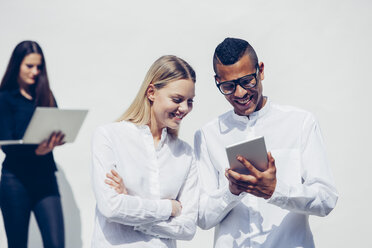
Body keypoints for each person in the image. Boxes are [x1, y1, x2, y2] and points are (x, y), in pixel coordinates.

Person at [194, 37, 338, 248]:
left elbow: (326, 200)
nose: (240, 93)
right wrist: (231, 191)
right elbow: (203, 217)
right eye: (228, 86)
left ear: (260, 71)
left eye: (247, 81)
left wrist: (276, 190)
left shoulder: (300, 123)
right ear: (217, 81)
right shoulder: (207, 135)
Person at [91, 55, 199, 248]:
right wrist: (170, 208)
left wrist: (132, 205)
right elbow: (111, 207)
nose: (184, 108)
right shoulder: (109, 136)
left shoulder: (186, 154)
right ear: (151, 92)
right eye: (177, 99)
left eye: (190, 101)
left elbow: (188, 227)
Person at [0, 41, 65, 248]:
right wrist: (37, 151)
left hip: (45, 177)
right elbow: (6, 144)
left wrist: (56, 140)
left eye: (39, 66)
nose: (35, 71)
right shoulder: (4, 99)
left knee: (56, 244)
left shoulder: (46, 96)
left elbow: (55, 124)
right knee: (17, 244)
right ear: (17, 65)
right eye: (30, 66)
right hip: (15, 181)